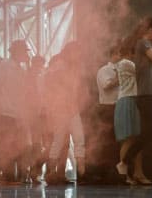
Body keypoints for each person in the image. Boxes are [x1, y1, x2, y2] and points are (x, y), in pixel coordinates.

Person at [125, 17, 152, 184]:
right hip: (147, 95)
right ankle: (125, 162)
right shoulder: (143, 43)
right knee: (148, 135)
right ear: (150, 31)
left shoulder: (148, 44)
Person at [45, 43, 86, 184]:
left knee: (78, 137)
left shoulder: (74, 67)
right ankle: (51, 172)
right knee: (59, 140)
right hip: (60, 108)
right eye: (77, 52)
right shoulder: (59, 64)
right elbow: (50, 83)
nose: (79, 55)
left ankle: (81, 168)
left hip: (72, 108)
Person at [0, 40, 33, 183]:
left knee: (18, 144)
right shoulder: (4, 66)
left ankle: (15, 174)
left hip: (18, 113)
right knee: (7, 144)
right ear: (17, 52)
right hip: (6, 112)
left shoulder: (20, 69)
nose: (27, 55)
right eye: (25, 52)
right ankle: (8, 175)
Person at [90, 45, 121, 182]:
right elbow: (106, 86)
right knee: (108, 142)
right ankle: (106, 173)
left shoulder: (119, 69)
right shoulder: (105, 70)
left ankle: (114, 172)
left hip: (118, 107)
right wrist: (121, 78)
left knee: (116, 141)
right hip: (107, 108)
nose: (121, 58)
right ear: (113, 55)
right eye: (120, 54)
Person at [113, 41, 141, 185]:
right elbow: (142, 71)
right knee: (128, 139)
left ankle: (133, 174)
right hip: (127, 100)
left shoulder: (122, 64)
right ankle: (125, 175)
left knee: (133, 139)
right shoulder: (126, 63)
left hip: (129, 100)